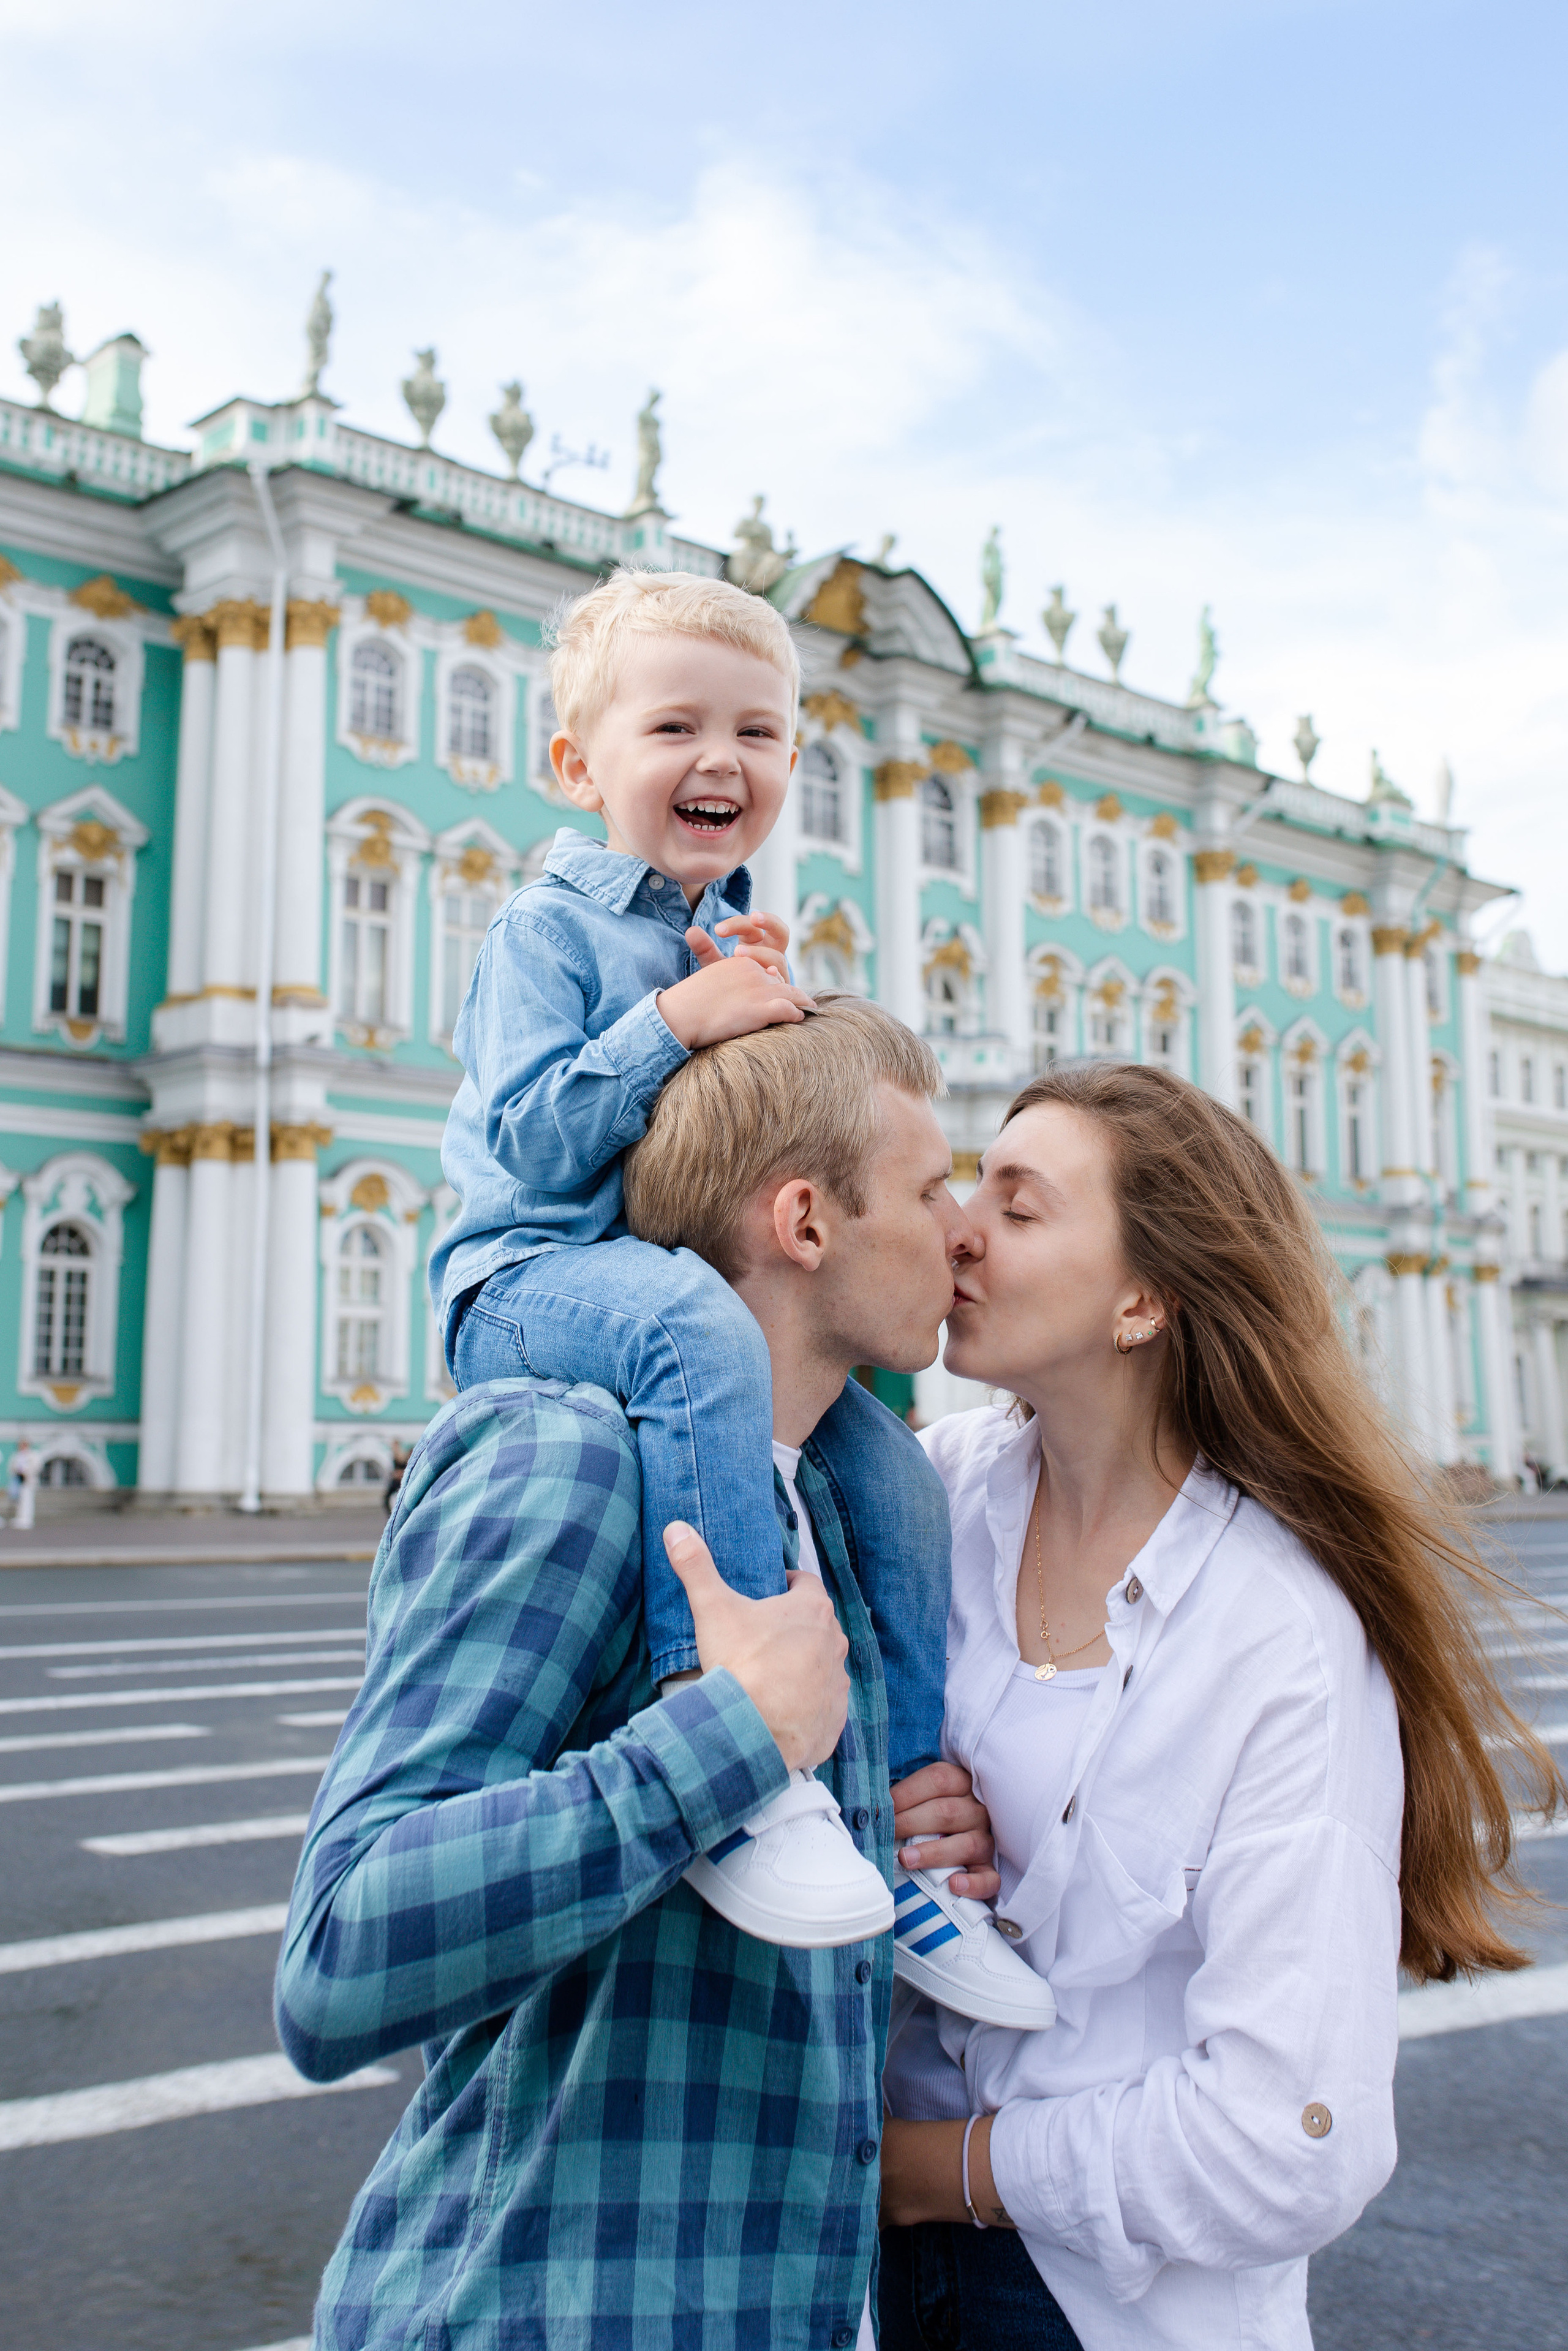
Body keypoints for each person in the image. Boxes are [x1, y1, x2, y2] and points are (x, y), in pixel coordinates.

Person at [277, 997, 1019, 2349]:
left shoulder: (847, 1510)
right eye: (928, 1186)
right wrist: (726, 1739)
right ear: (804, 1221)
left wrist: (907, 1828)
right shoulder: (562, 1459)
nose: (961, 1226)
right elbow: (339, 1958)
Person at [877, 1060, 1563, 2350]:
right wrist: (886, 1813)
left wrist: (931, 2169)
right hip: (874, 2277)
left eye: (1018, 1209)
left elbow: (1287, 2141)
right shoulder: (933, 1497)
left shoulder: (1276, 1632)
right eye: (970, 1183)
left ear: (1140, 1299)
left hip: (1105, 2302)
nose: (957, 1223)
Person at [427, 567, 1036, 2020]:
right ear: (579, 764)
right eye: (677, 727)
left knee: (889, 1469)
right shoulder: (548, 933)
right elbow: (524, 1146)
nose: (723, 760)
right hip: (524, 1278)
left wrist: (773, 1030)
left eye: (760, 734)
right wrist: (669, 1024)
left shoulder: (727, 931)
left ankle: (898, 1834)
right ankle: (746, 1758)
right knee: (702, 1331)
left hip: (661, 1282)